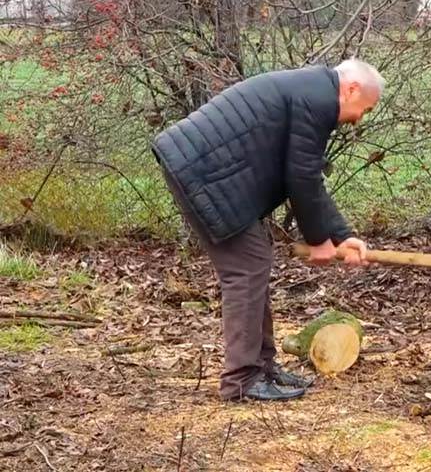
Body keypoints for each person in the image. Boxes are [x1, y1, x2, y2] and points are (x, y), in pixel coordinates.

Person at [151, 58, 384, 402]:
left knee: (255, 260)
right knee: (246, 267)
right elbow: (300, 177)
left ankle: (261, 367)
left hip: (206, 172)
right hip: (203, 173)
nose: (357, 119)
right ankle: (242, 380)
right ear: (351, 90)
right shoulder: (319, 99)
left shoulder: (312, 89)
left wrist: (340, 234)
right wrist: (319, 240)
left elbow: (309, 177)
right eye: (363, 109)